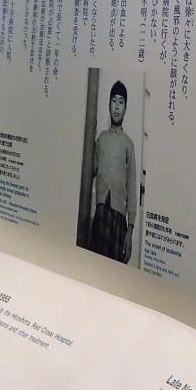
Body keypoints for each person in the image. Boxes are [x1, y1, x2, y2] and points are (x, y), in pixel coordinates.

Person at [88, 80, 137, 264]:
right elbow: (91, 170)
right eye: (114, 101)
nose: (117, 106)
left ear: (125, 108)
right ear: (109, 105)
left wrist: (130, 231)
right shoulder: (101, 138)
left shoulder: (128, 144)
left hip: (118, 219)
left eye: (121, 102)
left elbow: (132, 188)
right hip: (100, 215)